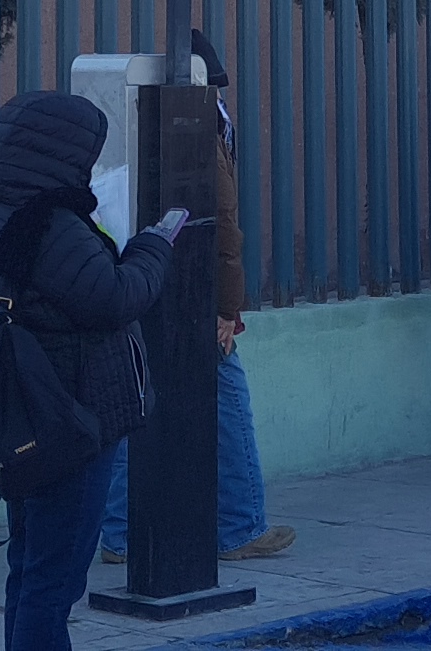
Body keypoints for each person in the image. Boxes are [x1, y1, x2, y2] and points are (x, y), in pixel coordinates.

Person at [0, 90, 181, 651]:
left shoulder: (1, 215)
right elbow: (115, 297)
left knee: (30, 567)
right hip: (75, 420)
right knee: (54, 580)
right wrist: (154, 246)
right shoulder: (53, 227)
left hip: (28, 417)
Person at [98, 29, 292, 567]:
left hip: (139, 283)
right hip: (192, 296)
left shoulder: (141, 122)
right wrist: (228, 309)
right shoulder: (205, 128)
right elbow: (223, 227)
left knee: (133, 399)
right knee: (229, 401)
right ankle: (239, 525)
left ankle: (117, 532)